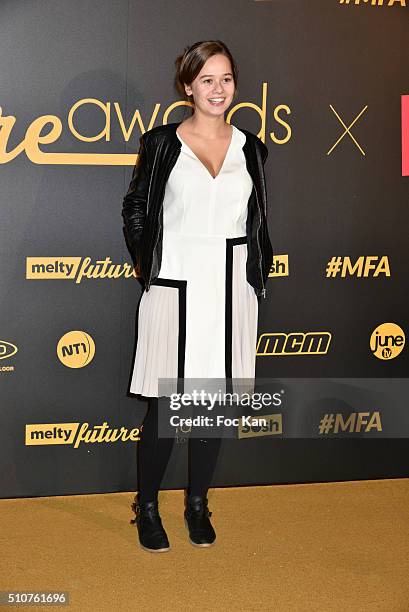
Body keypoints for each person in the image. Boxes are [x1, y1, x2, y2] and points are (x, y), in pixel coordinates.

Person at [122, 40, 273, 553]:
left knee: (212, 406)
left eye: (226, 79)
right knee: (166, 408)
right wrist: (147, 264)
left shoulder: (252, 147)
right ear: (188, 86)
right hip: (175, 282)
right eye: (206, 79)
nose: (218, 89)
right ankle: (145, 506)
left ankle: (198, 503)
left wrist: (256, 275)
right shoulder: (162, 141)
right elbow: (136, 205)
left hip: (230, 286)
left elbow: (255, 220)